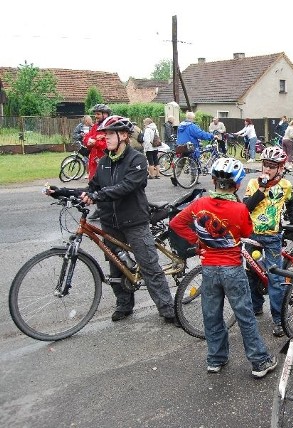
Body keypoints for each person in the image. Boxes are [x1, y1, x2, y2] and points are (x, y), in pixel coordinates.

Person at [48, 116, 178, 325]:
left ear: (124, 136)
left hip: (134, 222)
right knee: (116, 265)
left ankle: (167, 308)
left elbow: (127, 186)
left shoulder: (137, 160)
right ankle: (124, 305)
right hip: (110, 223)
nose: (106, 138)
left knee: (149, 266)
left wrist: (98, 196)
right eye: (105, 135)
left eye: (110, 134)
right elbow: (92, 189)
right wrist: (61, 191)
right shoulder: (104, 163)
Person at [169, 158, 278, 378]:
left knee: (211, 315)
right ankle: (259, 361)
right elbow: (247, 233)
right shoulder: (239, 209)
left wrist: (198, 241)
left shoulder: (200, 204)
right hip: (232, 269)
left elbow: (176, 223)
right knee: (245, 315)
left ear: (213, 180)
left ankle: (215, 359)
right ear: (237, 185)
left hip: (209, 268)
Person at [243, 146, 293, 337]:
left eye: (272, 166)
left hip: (273, 237)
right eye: (265, 165)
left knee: (275, 279)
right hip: (252, 235)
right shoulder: (252, 183)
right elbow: (246, 208)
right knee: (251, 272)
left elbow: (290, 201)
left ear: (280, 168)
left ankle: (278, 320)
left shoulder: (285, 185)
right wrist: (262, 189)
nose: (267, 169)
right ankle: (257, 306)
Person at [83, 104, 111, 181]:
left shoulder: (110, 127)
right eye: (95, 114)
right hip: (93, 162)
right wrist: (93, 140)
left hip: (105, 163)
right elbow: (86, 138)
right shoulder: (95, 126)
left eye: (98, 114)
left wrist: (95, 142)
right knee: (92, 185)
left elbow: (108, 145)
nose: (95, 116)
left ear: (105, 114)